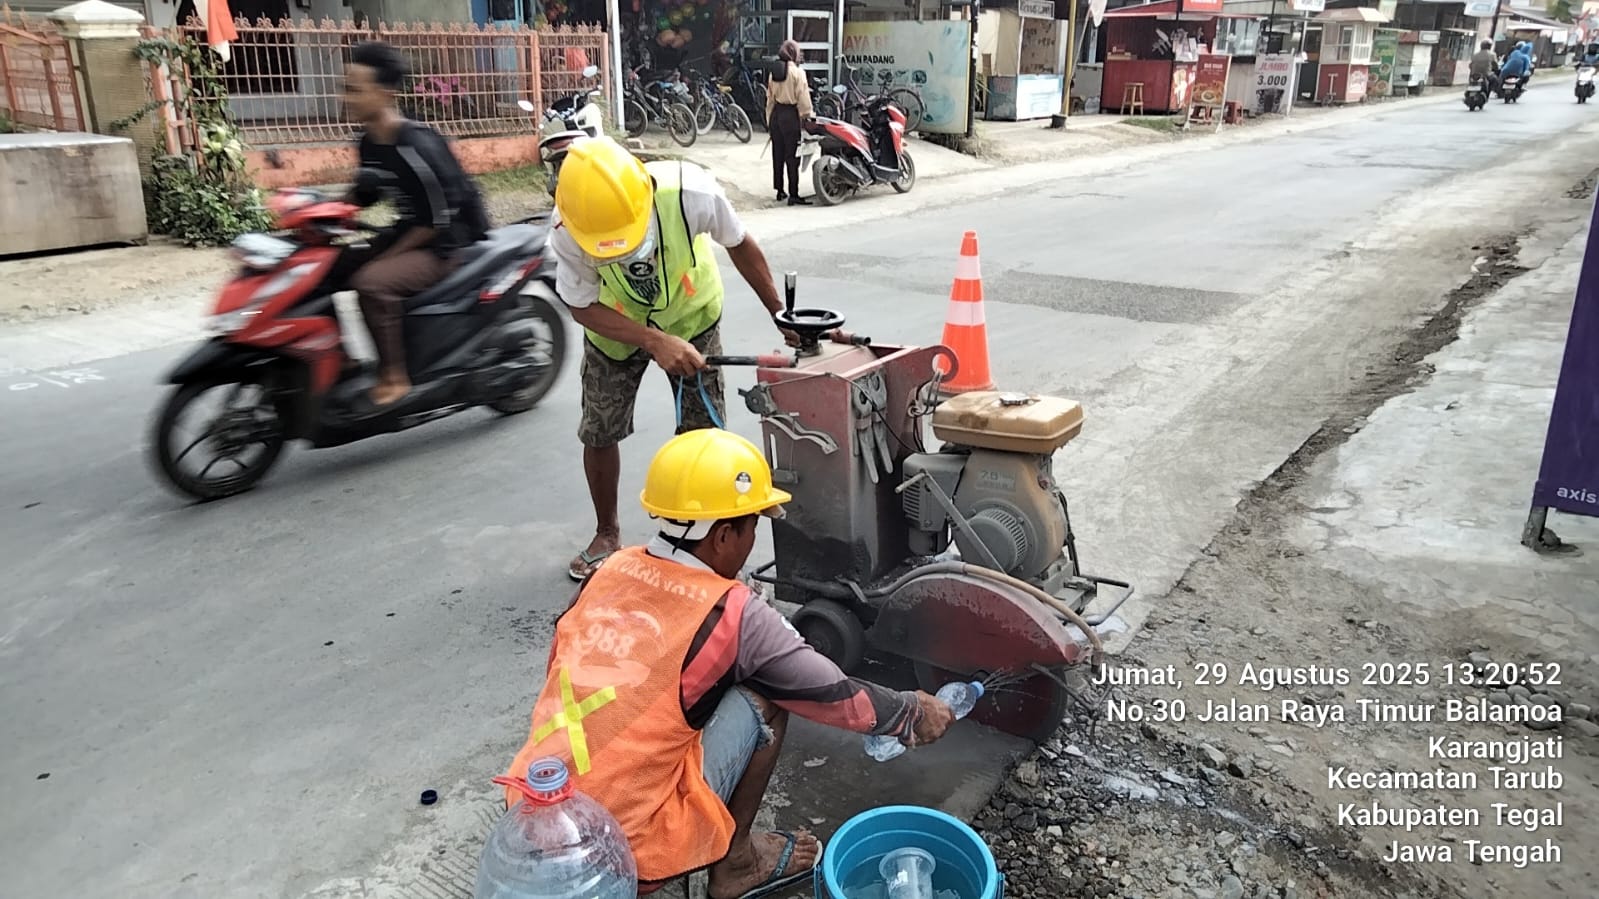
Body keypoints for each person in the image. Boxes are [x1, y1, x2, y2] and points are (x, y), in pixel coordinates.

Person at [503, 428, 957, 899]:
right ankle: (735, 862)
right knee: (767, 695)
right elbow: (830, 693)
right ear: (723, 535)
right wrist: (911, 713)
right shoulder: (733, 612)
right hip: (623, 854)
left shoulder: (608, 571)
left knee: (671, 693)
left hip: (533, 817)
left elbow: (561, 665)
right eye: (751, 526)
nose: (751, 540)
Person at [548, 137, 798, 582]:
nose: (620, 250)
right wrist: (652, 340)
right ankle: (607, 532)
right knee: (600, 428)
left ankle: (701, 547)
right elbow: (581, 305)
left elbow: (740, 244)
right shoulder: (570, 230)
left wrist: (779, 312)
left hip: (693, 315)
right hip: (616, 329)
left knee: (704, 437)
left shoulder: (691, 193)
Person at [342, 41, 490, 406]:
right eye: (345, 88)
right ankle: (343, 365)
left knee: (371, 282)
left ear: (385, 93)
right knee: (334, 265)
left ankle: (395, 376)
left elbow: (438, 219)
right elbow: (366, 192)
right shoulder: (369, 143)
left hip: (446, 242)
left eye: (355, 90)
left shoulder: (415, 145)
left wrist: (386, 256)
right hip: (412, 230)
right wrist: (319, 214)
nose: (347, 98)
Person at [765, 40, 814, 206]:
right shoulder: (798, 73)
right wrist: (807, 116)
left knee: (777, 154)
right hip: (790, 116)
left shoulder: (774, 72)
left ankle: (779, 190)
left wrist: (768, 120)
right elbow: (803, 97)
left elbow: (770, 98)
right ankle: (794, 194)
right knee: (792, 156)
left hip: (776, 115)